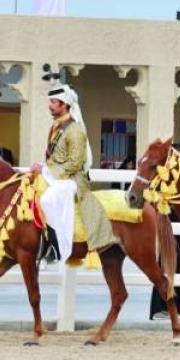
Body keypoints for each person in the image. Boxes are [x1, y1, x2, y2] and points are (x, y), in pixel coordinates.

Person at [30, 84, 117, 263]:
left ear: (64, 104)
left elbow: (75, 163)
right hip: (57, 176)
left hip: (72, 179)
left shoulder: (75, 130)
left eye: (53, 102)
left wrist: (46, 170)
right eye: (50, 101)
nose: (50, 105)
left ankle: (55, 247)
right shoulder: (56, 127)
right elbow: (56, 158)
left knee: (47, 200)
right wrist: (42, 166)